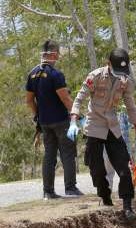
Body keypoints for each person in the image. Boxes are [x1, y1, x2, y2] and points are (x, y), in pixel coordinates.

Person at [67, 48, 136, 219]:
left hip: (112, 126)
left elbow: (131, 107)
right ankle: (105, 198)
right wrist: (73, 121)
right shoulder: (95, 76)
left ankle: (127, 206)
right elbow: (79, 98)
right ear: (108, 63)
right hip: (94, 125)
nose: (119, 75)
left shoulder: (125, 81)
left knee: (124, 167)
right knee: (96, 169)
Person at [25, 39, 83, 200]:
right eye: (57, 53)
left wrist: (38, 115)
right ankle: (70, 188)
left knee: (49, 155)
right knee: (67, 153)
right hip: (61, 121)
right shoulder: (55, 74)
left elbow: (29, 100)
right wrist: (78, 115)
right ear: (52, 54)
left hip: (44, 122)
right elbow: (65, 98)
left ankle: (48, 191)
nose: (57, 56)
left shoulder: (32, 74)